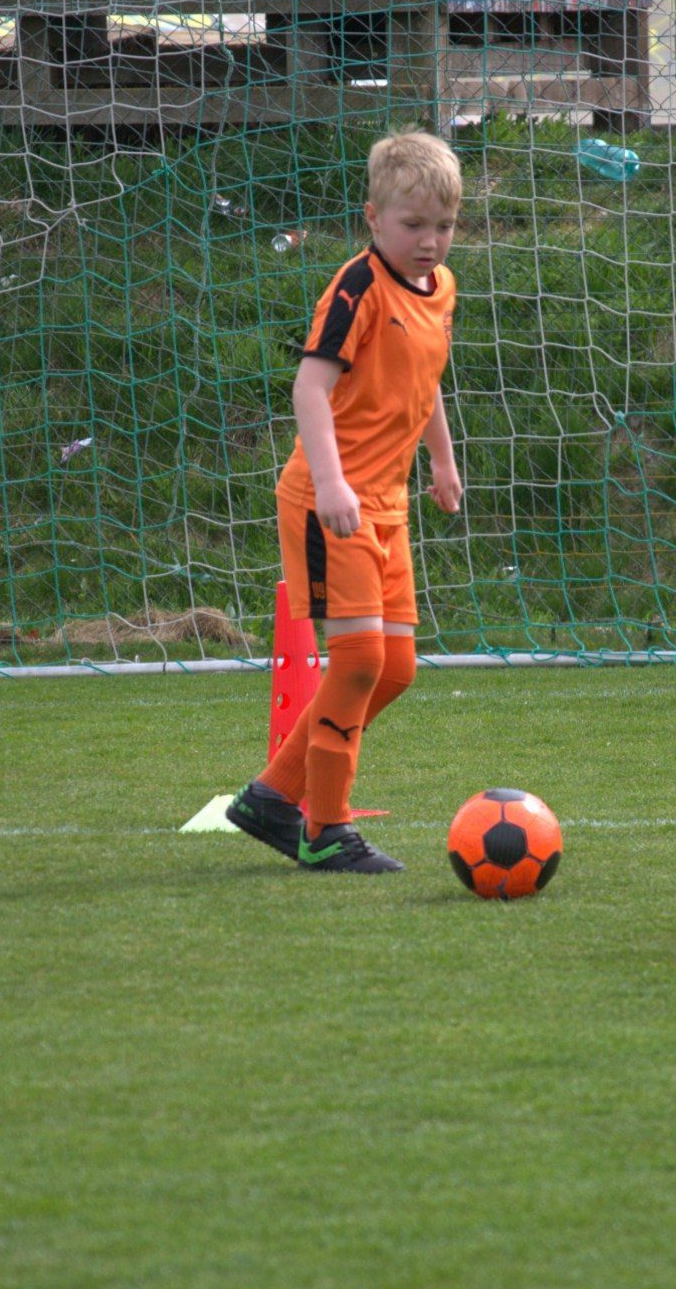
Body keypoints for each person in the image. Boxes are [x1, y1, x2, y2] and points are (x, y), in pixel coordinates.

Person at [225, 131, 464, 873]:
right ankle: (325, 829)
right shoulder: (357, 288)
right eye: (412, 225)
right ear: (373, 218)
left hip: (388, 505)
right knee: (359, 659)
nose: (429, 241)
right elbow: (310, 387)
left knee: (395, 670)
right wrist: (330, 482)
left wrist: (442, 460)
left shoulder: (441, 288)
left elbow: (424, 380)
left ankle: (271, 796)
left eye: (444, 226)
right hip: (329, 501)